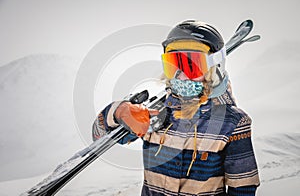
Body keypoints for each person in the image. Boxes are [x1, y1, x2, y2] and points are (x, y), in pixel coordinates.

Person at [92, 20, 260, 196]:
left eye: (192, 66)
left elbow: (243, 188)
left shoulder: (232, 122)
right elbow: (98, 136)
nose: (182, 75)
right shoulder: (154, 113)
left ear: (213, 68)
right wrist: (118, 113)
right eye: (175, 65)